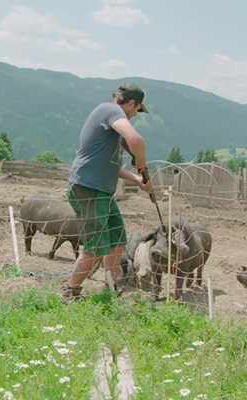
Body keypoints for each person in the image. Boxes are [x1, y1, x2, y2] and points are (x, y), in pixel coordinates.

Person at [63, 83, 153, 300]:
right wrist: (140, 163)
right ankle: (70, 292)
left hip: (102, 191)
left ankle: (110, 289)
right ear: (131, 103)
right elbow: (137, 141)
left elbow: (111, 165)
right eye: (137, 110)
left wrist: (137, 178)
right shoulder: (111, 110)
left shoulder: (112, 127)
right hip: (89, 188)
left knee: (117, 240)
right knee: (95, 248)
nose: (135, 115)